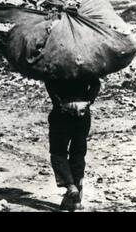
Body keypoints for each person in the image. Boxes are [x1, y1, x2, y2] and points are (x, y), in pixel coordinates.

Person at [45, 79, 101, 211]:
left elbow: (49, 82)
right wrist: (88, 101)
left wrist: (59, 103)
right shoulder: (86, 62)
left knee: (58, 151)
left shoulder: (57, 62)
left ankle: (70, 186)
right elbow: (95, 83)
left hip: (62, 112)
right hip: (82, 112)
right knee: (78, 153)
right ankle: (75, 200)